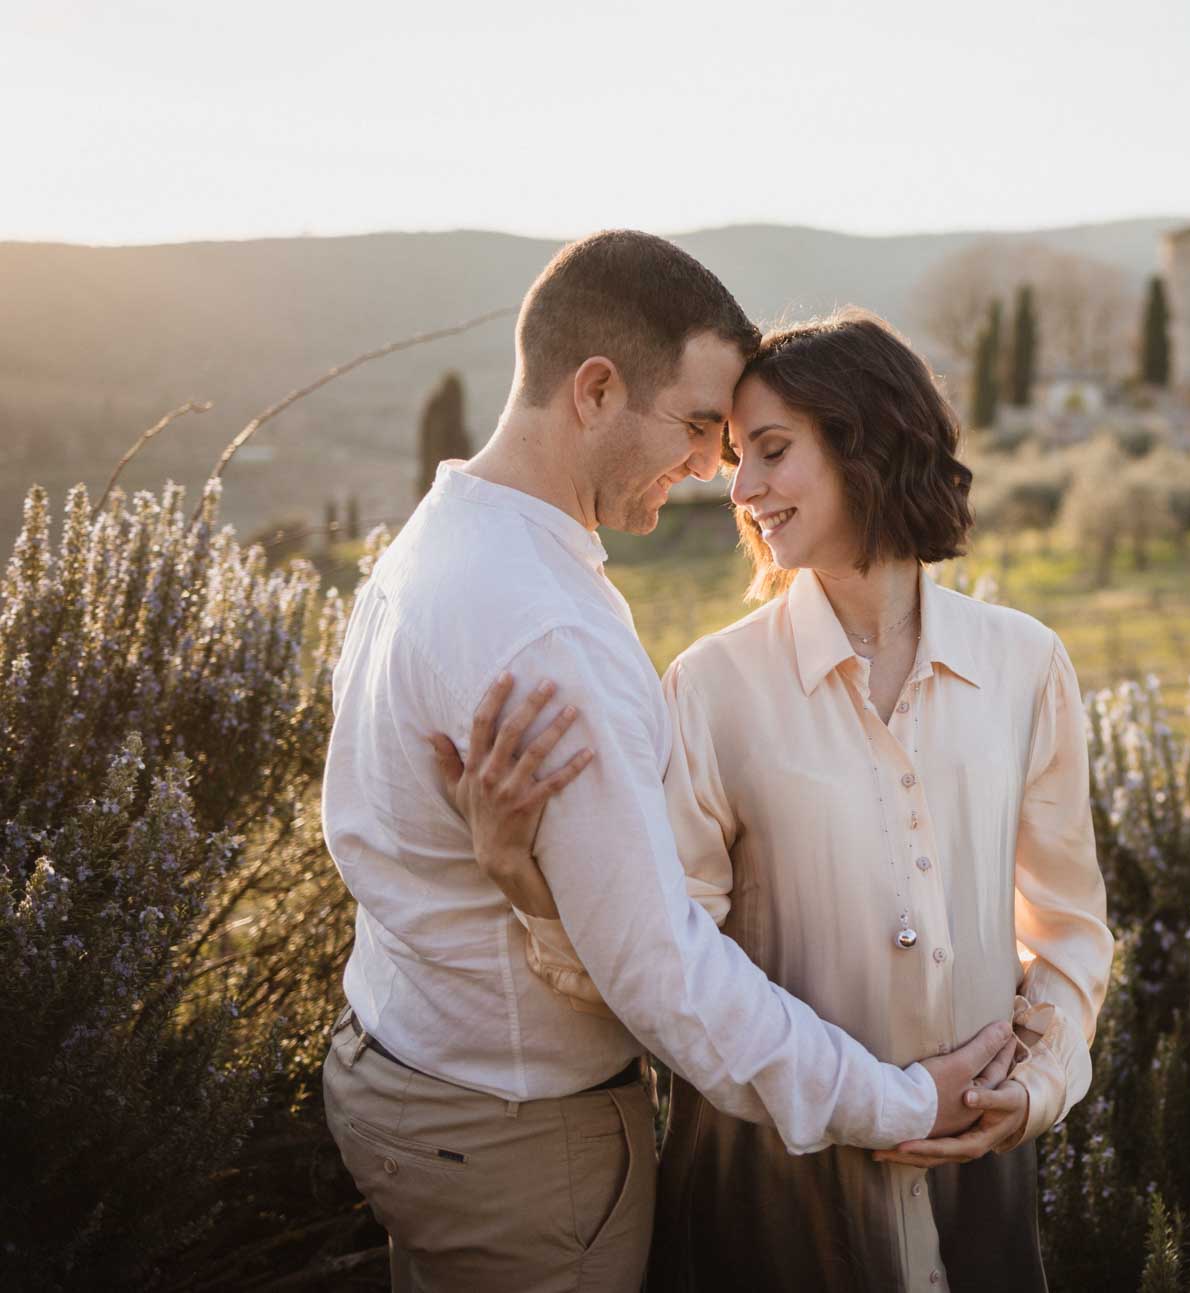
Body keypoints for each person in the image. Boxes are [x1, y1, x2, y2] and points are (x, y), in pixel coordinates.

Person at [320, 232, 1016, 1293]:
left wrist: (517, 876)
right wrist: (902, 1104)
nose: (712, 471)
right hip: (518, 1136)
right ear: (595, 390)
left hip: (406, 1076)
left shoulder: (440, 540)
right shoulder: (544, 632)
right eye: (698, 427)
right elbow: (666, 976)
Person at [443, 309, 1113, 1292]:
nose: (740, 490)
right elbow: (660, 965)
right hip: (767, 1210)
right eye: (730, 457)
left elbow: (1066, 932)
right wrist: (519, 877)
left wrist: (1040, 1088)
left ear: (866, 440)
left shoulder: (1024, 664)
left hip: (982, 1200)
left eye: (769, 452)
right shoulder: (710, 690)